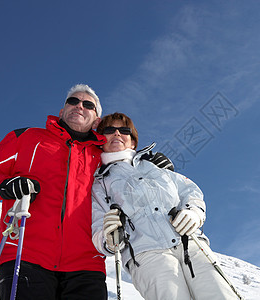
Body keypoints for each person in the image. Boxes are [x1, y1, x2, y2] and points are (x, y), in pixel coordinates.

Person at [0, 84, 108, 300]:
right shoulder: (27, 138)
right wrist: (5, 185)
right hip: (24, 254)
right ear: (62, 112)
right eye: (73, 101)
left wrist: (156, 166)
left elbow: (132, 180)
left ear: (97, 121)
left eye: (88, 105)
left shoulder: (104, 158)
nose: (79, 106)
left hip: (86, 265)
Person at [91, 112, 239, 299]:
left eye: (124, 130)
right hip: (146, 254)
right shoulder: (99, 183)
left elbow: (190, 191)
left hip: (190, 244)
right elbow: (97, 225)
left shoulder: (155, 165)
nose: (117, 134)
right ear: (100, 139)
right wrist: (108, 238)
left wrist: (194, 213)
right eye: (110, 130)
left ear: (133, 141)